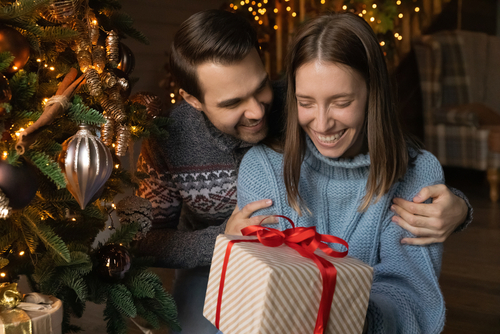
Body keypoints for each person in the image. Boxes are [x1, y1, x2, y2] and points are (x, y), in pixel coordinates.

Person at [136, 10, 471, 334]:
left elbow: (397, 158)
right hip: (211, 263)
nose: (256, 112)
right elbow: (144, 239)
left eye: (261, 88)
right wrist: (222, 240)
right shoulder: (168, 141)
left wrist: (459, 207)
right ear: (192, 100)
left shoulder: (295, 96)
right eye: (232, 103)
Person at [236, 12, 449, 333]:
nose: (322, 125)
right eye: (306, 102)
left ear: (372, 93)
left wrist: (349, 318)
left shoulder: (418, 173)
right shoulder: (262, 168)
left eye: (341, 102)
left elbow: (412, 298)